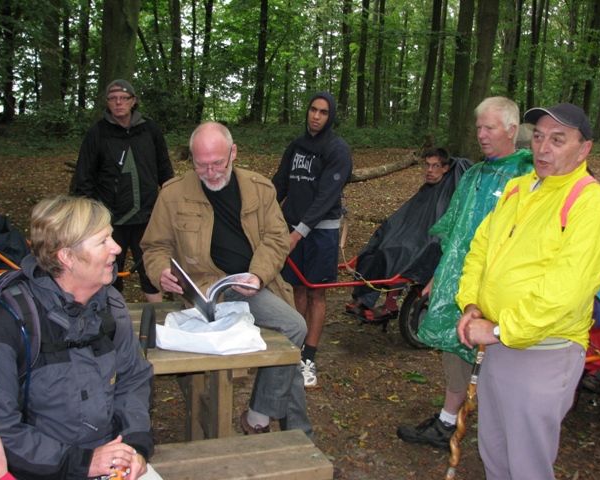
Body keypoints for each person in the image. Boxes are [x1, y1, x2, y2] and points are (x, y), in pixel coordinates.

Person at [455, 103, 600, 479]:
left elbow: (565, 290)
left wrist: (498, 330)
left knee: (527, 462)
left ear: (584, 149)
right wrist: (471, 303)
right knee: (494, 451)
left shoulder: (590, 205)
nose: (543, 148)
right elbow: (480, 248)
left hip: (544, 350)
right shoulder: (519, 188)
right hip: (498, 344)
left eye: (558, 140)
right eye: (540, 137)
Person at [141, 122, 313, 440]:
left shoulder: (260, 189)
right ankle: (296, 435)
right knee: (291, 341)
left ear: (233, 153)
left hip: (248, 287)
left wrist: (258, 275)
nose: (210, 172)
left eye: (218, 162)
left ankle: (260, 417)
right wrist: (161, 270)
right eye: (200, 164)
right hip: (205, 293)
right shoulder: (173, 194)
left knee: (293, 328)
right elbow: (154, 246)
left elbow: (277, 239)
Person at [397, 97, 534, 449]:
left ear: (511, 130)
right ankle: (447, 423)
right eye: (478, 128)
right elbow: (456, 231)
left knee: (497, 362)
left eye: (489, 128)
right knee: (454, 351)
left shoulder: (528, 175)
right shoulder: (473, 175)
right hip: (461, 285)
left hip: (502, 290)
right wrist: (437, 278)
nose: (482, 135)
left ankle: (498, 433)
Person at [0, 196, 156, 480]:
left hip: (108, 459)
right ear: (66, 257)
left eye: (111, 236)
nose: (116, 248)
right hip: (40, 469)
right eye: (103, 241)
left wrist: (134, 447)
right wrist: (82, 463)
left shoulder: (110, 304)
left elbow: (133, 379)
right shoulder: (10, 322)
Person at [272, 91, 353, 388]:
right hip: (292, 227)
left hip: (321, 232)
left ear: (329, 116)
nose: (316, 116)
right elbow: (279, 184)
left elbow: (325, 198)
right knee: (296, 289)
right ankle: (295, 348)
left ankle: (309, 357)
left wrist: (299, 232)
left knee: (316, 291)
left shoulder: (337, 149)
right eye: (312, 110)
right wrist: (261, 212)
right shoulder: (295, 146)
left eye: (322, 112)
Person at [75, 79, 174, 303]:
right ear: (108, 103)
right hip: (110, 220)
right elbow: (84, 177)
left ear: (134, 101)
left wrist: (171, 201)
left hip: (147, 216)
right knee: (108, 271)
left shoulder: (149, 129)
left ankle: (159, 320)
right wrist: (89, 217)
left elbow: (164, 168)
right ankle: (110, 316)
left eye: (124, 98)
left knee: (151, 268)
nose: (118, 103)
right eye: (113, 99)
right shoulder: (97, 133)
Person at [344, 147, 471, 321]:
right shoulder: (426, 190)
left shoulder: (448, 190)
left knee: (400, 252)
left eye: (435, 166)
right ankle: (364, 298)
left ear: (446, 169)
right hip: (413, 236)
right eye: (427, 165)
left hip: (429, 242)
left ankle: (390, 304)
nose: (429, 170)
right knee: (379, 246)